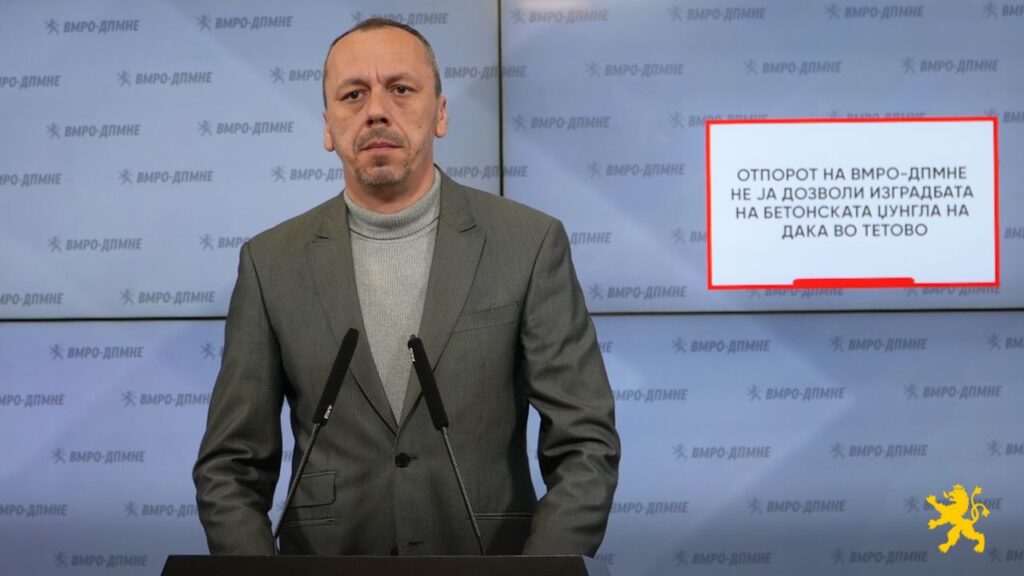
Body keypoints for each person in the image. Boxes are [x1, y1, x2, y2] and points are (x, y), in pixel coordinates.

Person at [193, 18, 619, 557]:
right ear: (327, 127)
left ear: (440, 113)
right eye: (353, 94)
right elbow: (230, 467)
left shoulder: (529, 244)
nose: (376, 110)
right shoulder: (270, 262)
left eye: (400, 89)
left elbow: (585, 445)